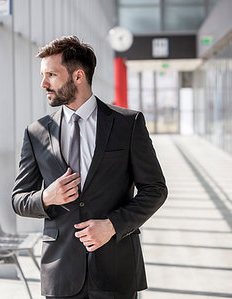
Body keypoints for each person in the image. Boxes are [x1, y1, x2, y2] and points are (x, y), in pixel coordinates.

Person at [11, 36, 167, 299]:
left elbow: (155, 189)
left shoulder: (127, 124)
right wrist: (47, 197)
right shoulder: (36, 132)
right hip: (61, 271)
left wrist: (113, 225)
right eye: (42, 74)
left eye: (51, 74)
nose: (43, 83)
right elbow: (18, 199)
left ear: (78, 76)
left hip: (115, 267)